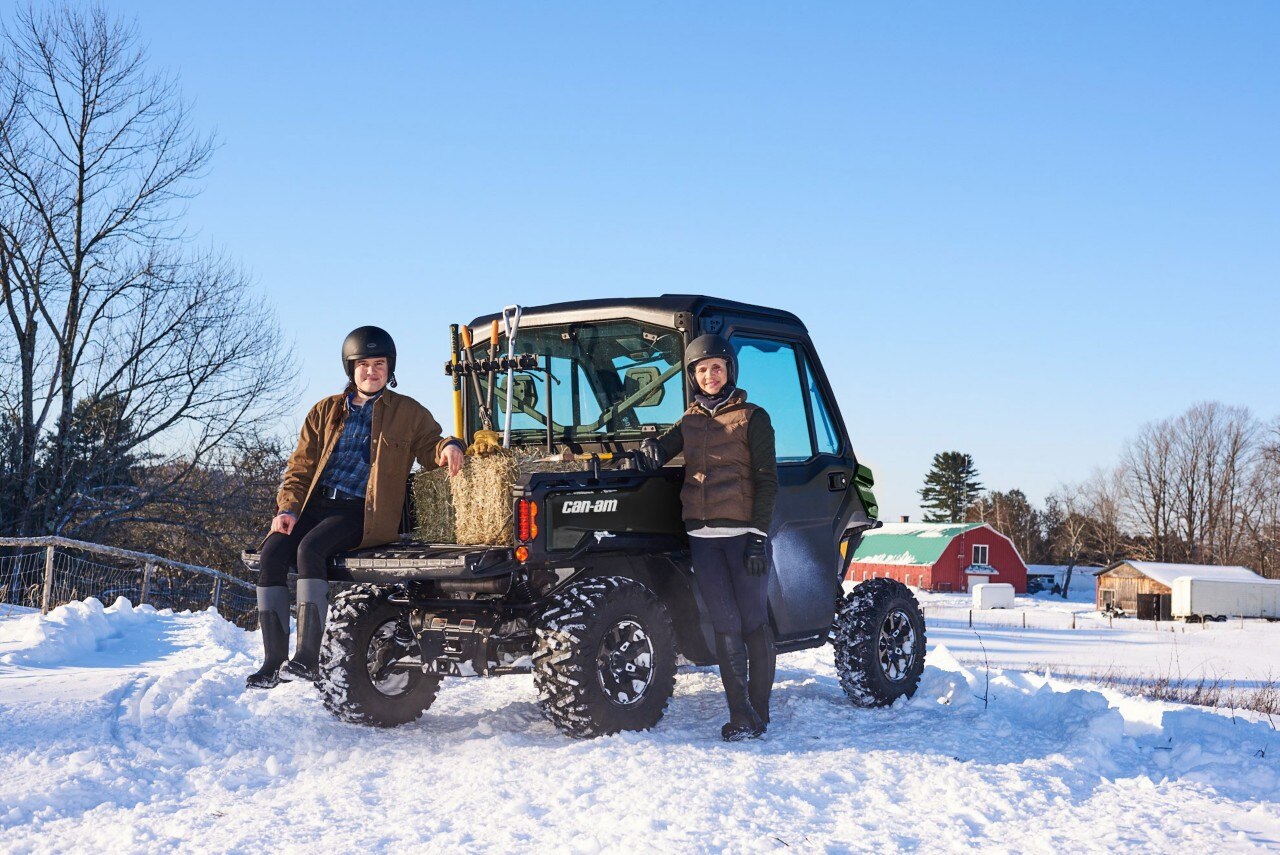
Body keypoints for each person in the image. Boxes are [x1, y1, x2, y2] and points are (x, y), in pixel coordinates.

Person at [246, 326, 464, 689]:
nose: (371, 371)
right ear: (351, 369)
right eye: (364, 364)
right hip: (315, 506)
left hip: (360, 512)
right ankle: (272, 661)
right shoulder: (325, 411)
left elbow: (431, 445)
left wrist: (449, 446)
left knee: (310, 549)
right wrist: (288, 510)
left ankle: (307, 658)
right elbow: (300, 467)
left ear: (389, 369)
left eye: (379, 364)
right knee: (271, 552)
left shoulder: (407, 412)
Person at [641, 334, 778, 740]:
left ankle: (760, 712)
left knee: (753, 621)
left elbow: (768, 481)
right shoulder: (689, 420)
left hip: (743, 535)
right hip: (702, 535)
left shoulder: (753, 417)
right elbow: (662, 449)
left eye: (716, 367)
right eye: (701, 370)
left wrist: (757, 536)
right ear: (693, 377)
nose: (710, 375)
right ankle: (741, 716)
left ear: (729, 370)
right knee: (724, 623)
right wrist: (646, 449)